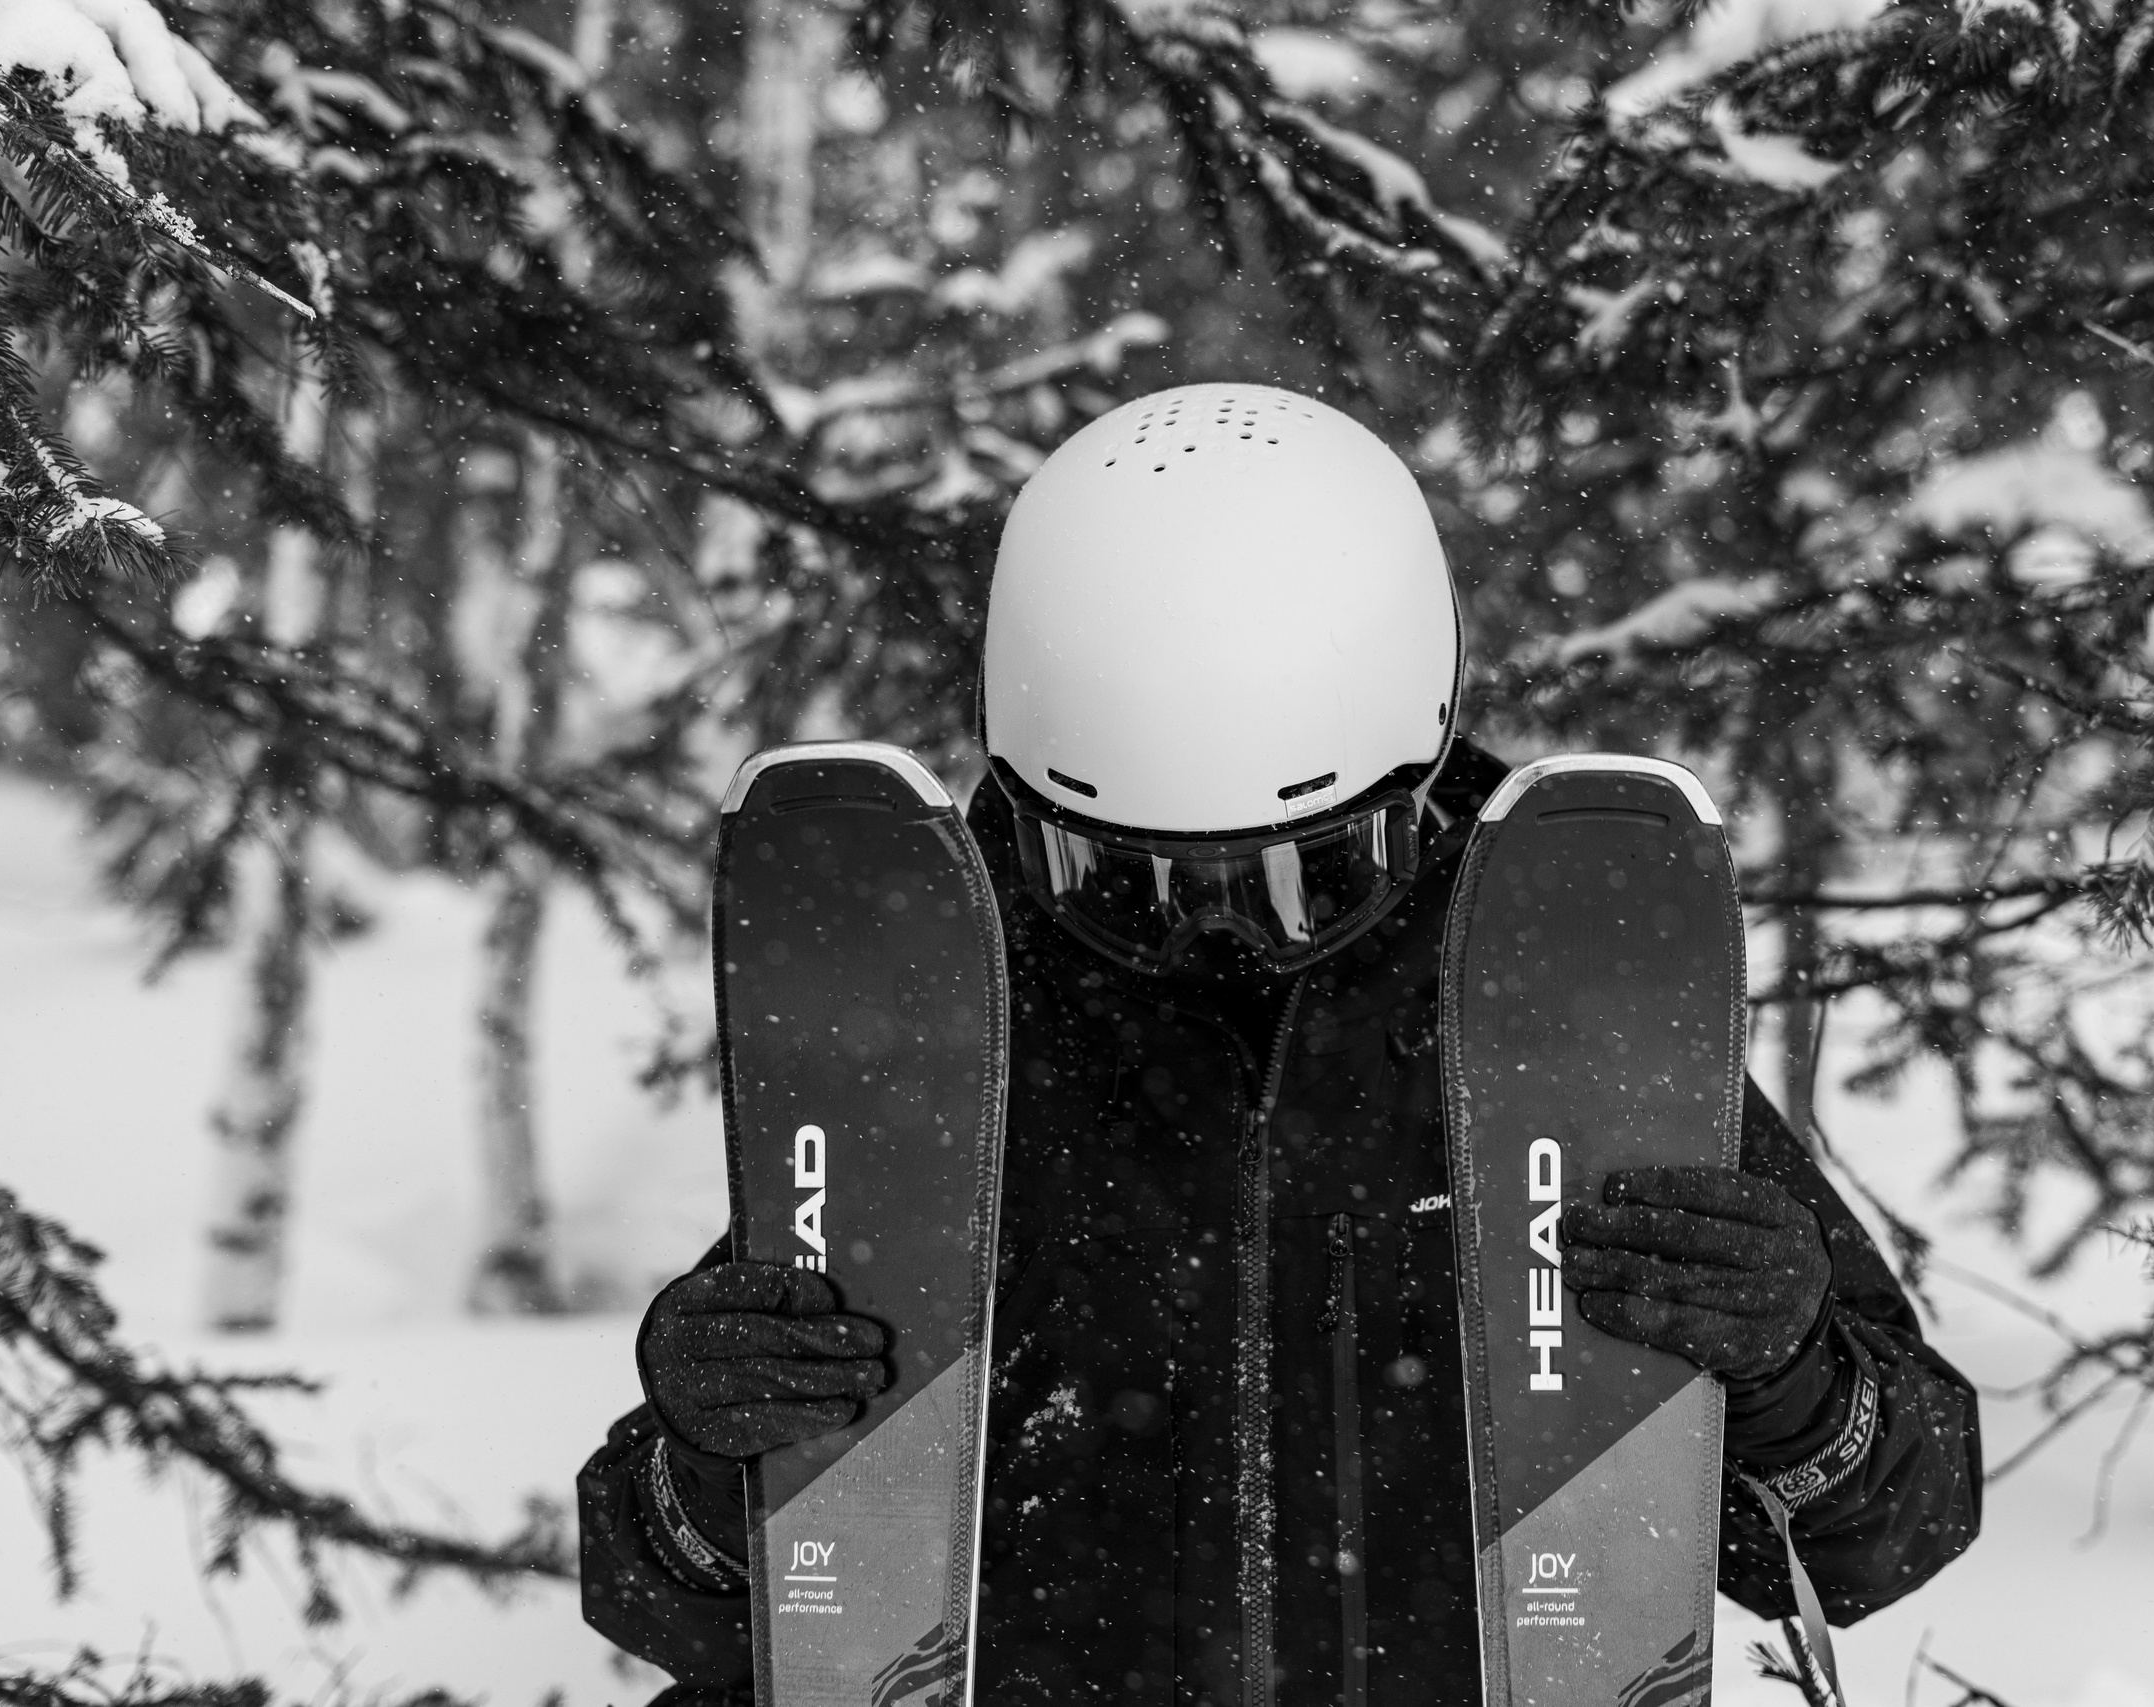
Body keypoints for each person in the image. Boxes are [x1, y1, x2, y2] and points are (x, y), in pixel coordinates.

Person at [578, 384, 1982, 1705]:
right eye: (1121, 879)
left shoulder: (1559, 992)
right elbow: (673, 1601)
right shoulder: (953, 1013)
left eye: (1299, 874)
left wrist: (1797, 1376)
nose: (1213, 939)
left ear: (1414, 773)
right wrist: (704, 1463)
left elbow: (1888, 1534)